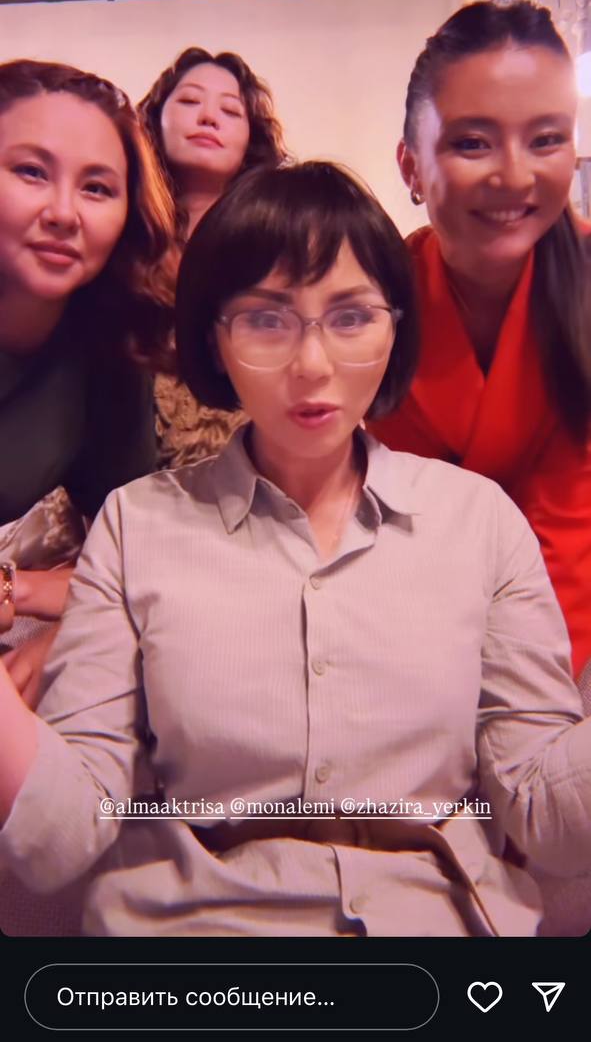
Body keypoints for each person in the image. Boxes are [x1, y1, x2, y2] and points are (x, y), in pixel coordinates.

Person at [1, 160, 590, 939]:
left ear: (394, 329)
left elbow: (548, 815)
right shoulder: (135, 527)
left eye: (350, 316)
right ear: (214, 337)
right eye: (265, 319)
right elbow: (62, 834)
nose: (312, 365)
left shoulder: (478, 521)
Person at [369, 0, 591, 676]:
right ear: (410, 166)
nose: (515, 175)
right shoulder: (375, 295)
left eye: (546, 139)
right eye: (472, 142)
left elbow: (570, 527)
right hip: (405, 617)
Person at [0, 59, 178, 704]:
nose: (64, 212)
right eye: (31, 172)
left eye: (97, 188)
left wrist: (71, 629)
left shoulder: (111, 350)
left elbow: (134, 547)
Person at [138, 47, 287, 466]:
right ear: (155, 120)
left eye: (230, 110)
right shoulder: (119, 239)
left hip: (244, 465)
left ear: (250, 139)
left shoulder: (277, 245)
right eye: (189, 101)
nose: (208, 118)